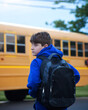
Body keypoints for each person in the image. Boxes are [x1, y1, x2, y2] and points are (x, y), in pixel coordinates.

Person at [27, 32, 80, 110]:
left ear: (45, 46)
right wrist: (61, 87)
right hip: (62, 103)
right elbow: (76, 75)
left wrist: (33, 94)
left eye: (35, 45)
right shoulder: (61, 61)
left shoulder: (37, 62)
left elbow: (33, 82)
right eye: (32, 45)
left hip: (44, 103)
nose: (32, 48)